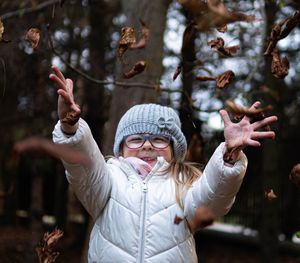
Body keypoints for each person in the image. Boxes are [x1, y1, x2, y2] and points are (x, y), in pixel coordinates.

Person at [49, 65, 277, 263]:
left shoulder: (184, 183)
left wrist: (230, 152)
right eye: (136, 139)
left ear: (173, 149)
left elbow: (213, 199)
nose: (147, 146)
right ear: (121, 147)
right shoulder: (108, 179)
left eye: (158, 139)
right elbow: (82, 169)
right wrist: (70, 127)